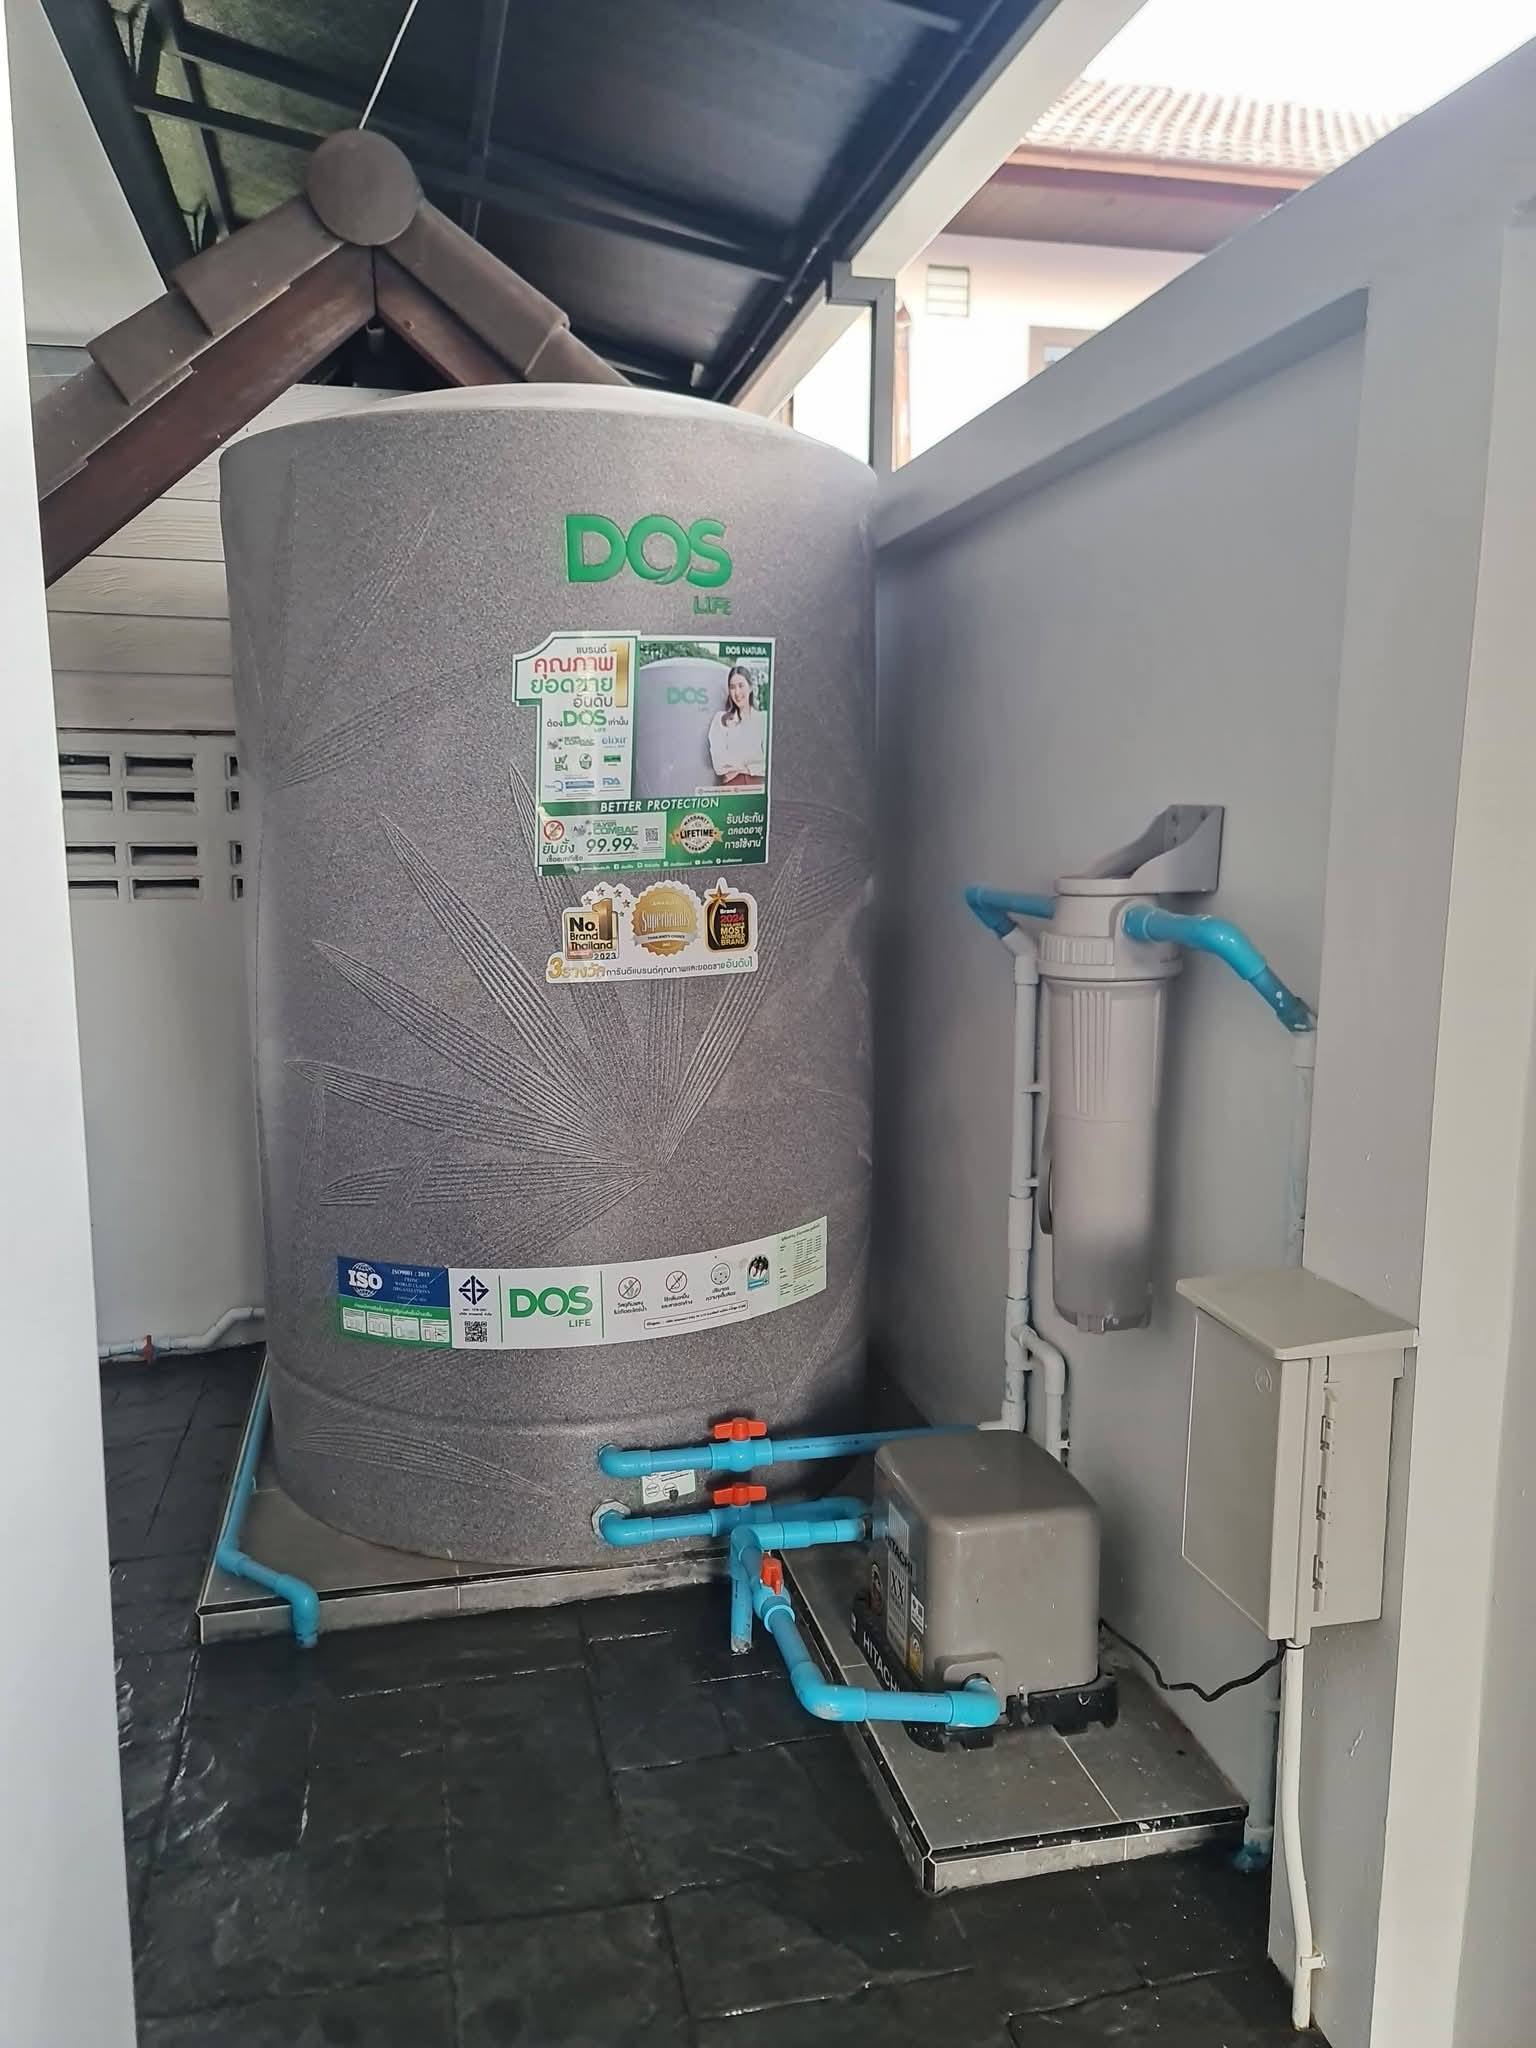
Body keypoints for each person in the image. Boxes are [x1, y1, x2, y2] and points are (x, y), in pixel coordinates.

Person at [708, 664, 767, 785]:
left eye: (741, 685)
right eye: (732, 687)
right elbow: (718, 764)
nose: (737, 692)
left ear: (750, 687)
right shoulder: (721, 720)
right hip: (732, 784)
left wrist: (739, 768)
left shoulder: (763, 719)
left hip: (759, 783)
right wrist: (753, 764)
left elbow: (769, 761)